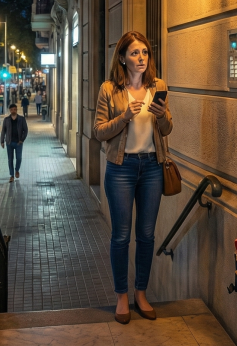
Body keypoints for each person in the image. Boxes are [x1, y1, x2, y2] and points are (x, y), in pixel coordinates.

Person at [93, 31, 173, 325]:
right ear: (123, 58)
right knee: (121, 236)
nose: (141, 58)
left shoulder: (158, 86)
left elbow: (166, 130)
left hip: (152, 167)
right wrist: (124, 117)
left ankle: (141, 293)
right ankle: (122, 296)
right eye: (135, 53)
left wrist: (162, 114)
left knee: (147, 235)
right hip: (121, 168)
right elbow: (99, 131)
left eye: (145, 53)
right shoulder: (109, 89)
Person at [0, 103, 29, 181]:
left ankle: (17, 170)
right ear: (10, 110)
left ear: (16, 110)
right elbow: (3, 131)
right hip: (9, 142)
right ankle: (12, 175)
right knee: (10, 159)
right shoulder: (6, 120)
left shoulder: (21, 119)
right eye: (12, 110)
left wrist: (22, 139)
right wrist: (2, 141)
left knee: (19, 158)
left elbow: (25, 130)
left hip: (18, 142)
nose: (13, 111)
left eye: (15, 109)